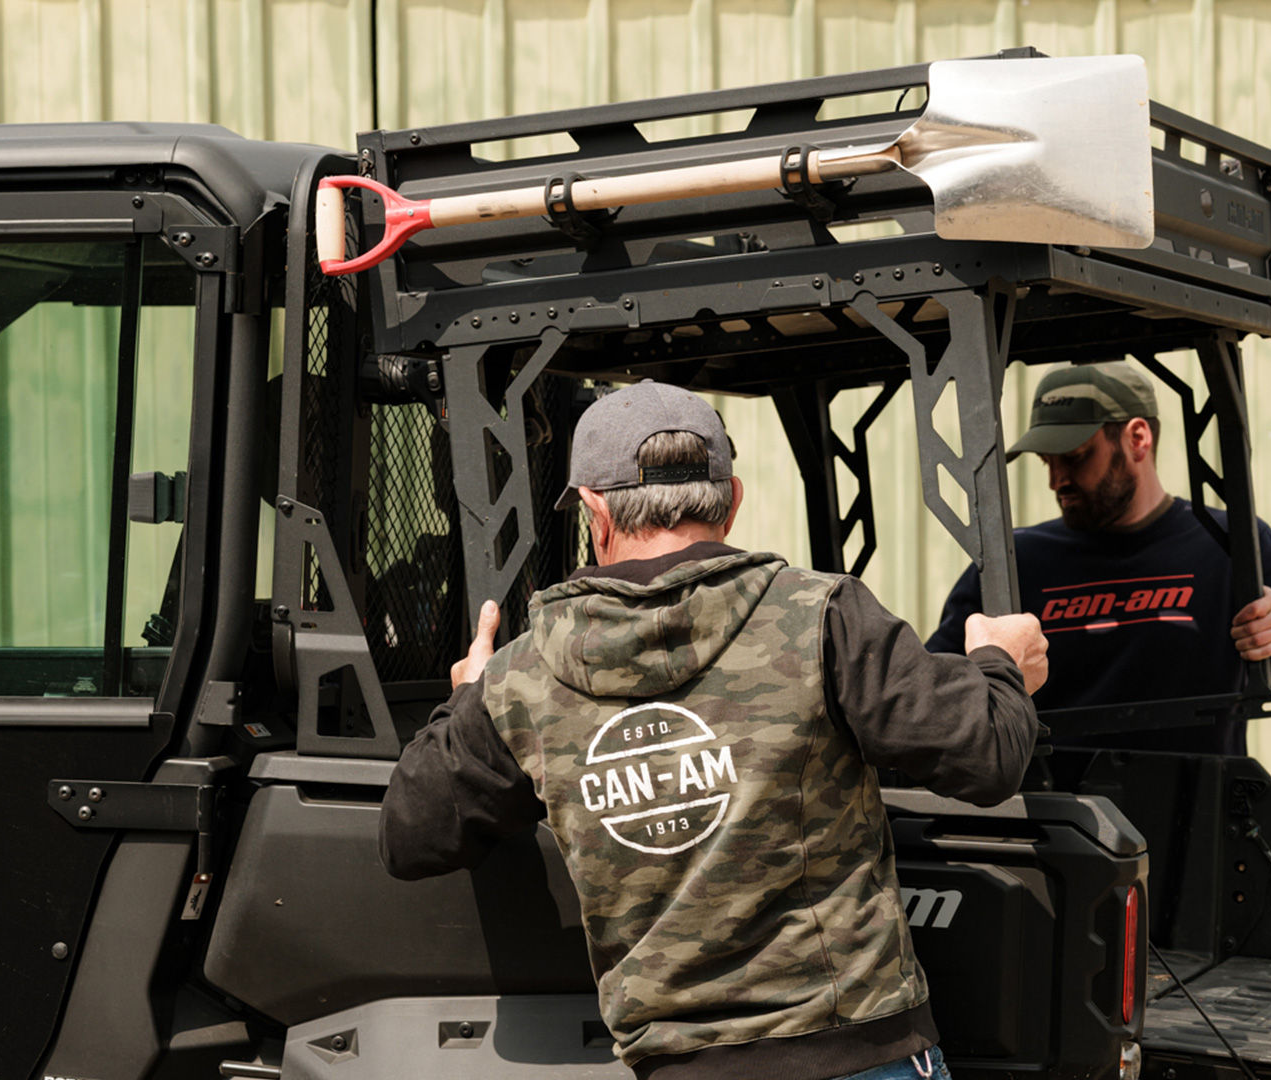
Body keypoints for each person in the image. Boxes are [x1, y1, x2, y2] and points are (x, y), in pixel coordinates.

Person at [379, 380, 1048, 1080]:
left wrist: (467, 698)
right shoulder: (823, 618)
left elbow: (411, 834)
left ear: (594, 511)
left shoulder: (520, 676)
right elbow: (989, 755)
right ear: (729, 503)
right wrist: (1001, 662)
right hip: (857, 1055)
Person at [925, 360, 1271, 755]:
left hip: (1195, 827)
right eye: (1046, 463)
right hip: (1052, 829)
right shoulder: (1017, 563)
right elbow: (928, 709)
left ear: (1137, 439)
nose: (1057, 481)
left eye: (1074, 458)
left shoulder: (1229, 545)